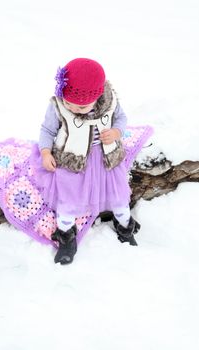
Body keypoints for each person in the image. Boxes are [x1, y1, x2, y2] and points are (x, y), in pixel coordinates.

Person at [38, 58, 140, 265]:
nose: (74, 109)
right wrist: (46, 152)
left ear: (98, 96)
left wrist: (116, 131)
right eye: (69, 104)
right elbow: (47, 130)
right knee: (68, 200)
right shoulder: (58, 106)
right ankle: (66, 237)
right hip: (73, 163)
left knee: (119, 197)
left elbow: (121, 119)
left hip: (106, 161)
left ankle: (124, 226)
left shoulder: (109, 101)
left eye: (82, 107)